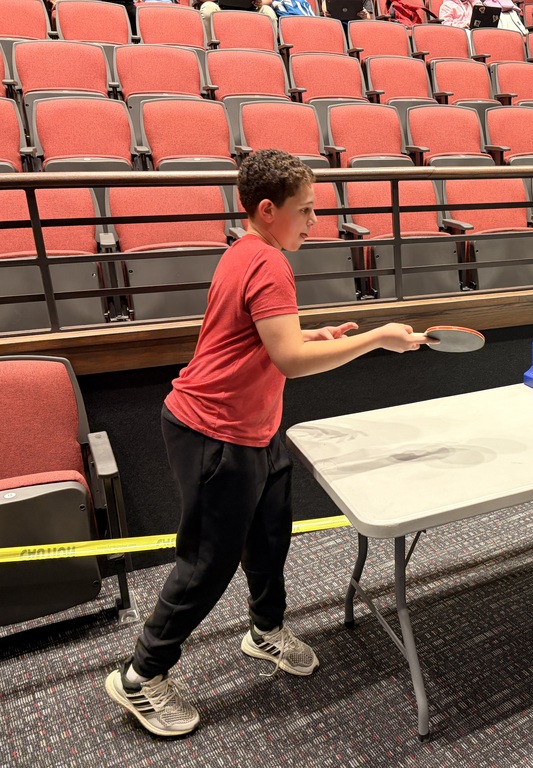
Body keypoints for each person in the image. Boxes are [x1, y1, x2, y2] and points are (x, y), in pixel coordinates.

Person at [104, 150, 433, 738]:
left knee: (269, 537)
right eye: (305, 210)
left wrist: (312, 334)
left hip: (257, 431)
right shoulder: (267, 262)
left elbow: (267, 339)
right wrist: (376, 338)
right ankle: (140, 676)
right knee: (207, 563)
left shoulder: (248, 250)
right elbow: (290, 361)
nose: (314, 221)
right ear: (266, 209)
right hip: (213, 432)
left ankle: (265, 630)